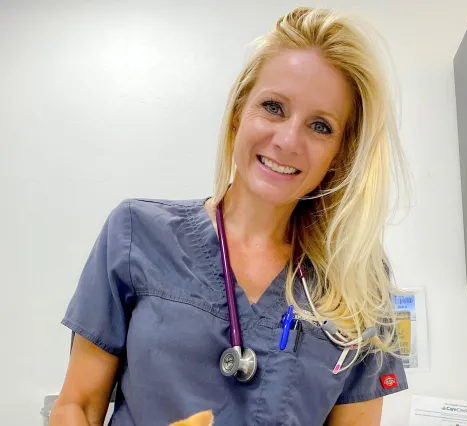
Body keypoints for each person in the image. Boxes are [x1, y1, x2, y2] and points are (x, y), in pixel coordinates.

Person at [49, 6, 409, 426]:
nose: (288, 140)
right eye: (274, 107)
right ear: (240, 112)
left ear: (340, 154)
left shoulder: (360, 281)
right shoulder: (135, 234)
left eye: (321, 126)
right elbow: (78, 405)